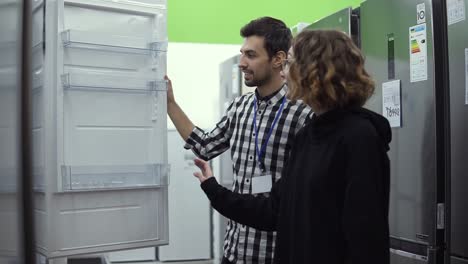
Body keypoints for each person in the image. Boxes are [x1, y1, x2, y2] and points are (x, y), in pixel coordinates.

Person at [193, 29, 391, 264]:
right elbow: (274, 211)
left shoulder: (359, 137)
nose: (284, 73)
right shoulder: (308, 136)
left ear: (314, 71)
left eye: (289, 63)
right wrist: (214, 189)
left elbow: (365, 239)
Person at [166, 17, 312, 264]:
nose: (242, 63)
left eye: (251, 55)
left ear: (278, 59)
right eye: (242, 54)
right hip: (235, 250)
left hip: (275, 252)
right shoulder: (239, 107)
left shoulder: (302, 111)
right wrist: (170, 103)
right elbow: (205, 145)